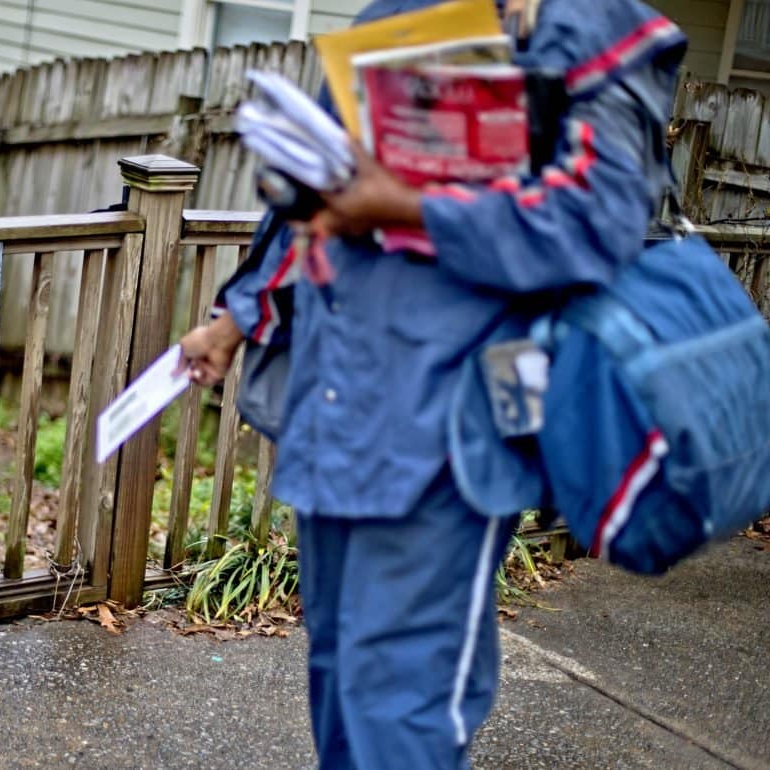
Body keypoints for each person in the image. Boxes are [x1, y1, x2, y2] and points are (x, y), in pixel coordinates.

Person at [178, 0, 688, 767]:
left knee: (402, 707)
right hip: (338, 405)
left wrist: (407, 206)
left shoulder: (583, 24)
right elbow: (313, 199)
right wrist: (234, 318)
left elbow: (600, 226)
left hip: (455, 424)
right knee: (341, 677)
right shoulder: (394, 16)